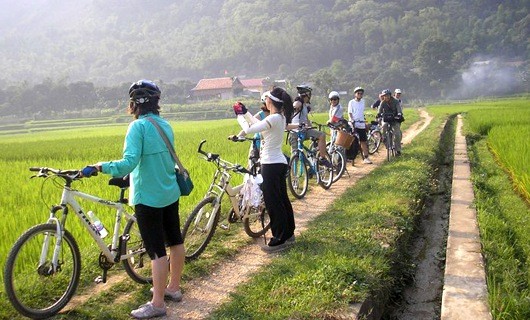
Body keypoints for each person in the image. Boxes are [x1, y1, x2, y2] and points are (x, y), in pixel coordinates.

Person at [81, 80, 185, 319]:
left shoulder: (137, 128)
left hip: (147, 197)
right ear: (156, 102)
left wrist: (99, 166)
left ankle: (157, 304)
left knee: (156, 251)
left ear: (133, 104)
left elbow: (129, 162)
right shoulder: (165, 125)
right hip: (169, 192)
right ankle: (174, 288)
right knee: (175, 241)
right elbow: (161, 160)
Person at [234, 87, 295, 253]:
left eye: (266, 99)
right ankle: (288, 234)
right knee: (282, 199)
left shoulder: (274, 118)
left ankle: (279, 239)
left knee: (273, 202)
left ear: (271, 101)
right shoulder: (278, 117)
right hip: (278, 163)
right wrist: (246, 113)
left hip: (271, 164)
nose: (264, 101)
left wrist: (239, 116)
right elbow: (257, 125)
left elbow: (248, 129)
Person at [289, 84, 331, 167]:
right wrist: (297, 102)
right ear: (306, 95)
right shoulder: (299, 102)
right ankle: (322, 158)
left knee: (296, 154)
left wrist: (310, 126)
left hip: (302, 131)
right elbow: (295, 105)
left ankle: (313, 163)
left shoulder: (304, 106)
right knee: (295, 155)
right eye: (309, 94)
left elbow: (306, 119)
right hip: (296, 132)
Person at [347, 86, 372, 164]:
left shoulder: (363, 102)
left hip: (361, 123)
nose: (360, 95)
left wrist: (364, 121)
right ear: (355, 94)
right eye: (358, 93)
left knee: (363, 141)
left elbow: (361, 113)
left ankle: (366, 157)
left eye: (361, 93)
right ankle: (350, 157)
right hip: (354, 124)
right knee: (352, 141)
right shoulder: (351, 102)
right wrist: (352, 119)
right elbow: (350, 112)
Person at [377, 89, 404, 155]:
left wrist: (399, 114)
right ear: (383, 96)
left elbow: (399, 109)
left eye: (388, 95)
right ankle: (384, 139)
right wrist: (379, 115)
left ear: (390, 95)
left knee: (397, 134)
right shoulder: (382, 102)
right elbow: (379, 111)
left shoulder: (396, 101)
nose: (386, 97)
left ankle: (398, 150)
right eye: (385, 96)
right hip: (386, 119)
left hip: (395, 119)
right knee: (383, 126)